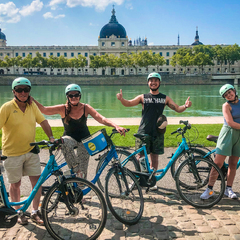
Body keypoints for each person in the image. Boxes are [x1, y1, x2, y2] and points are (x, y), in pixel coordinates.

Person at [31, 83, 127, 180]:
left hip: (85, 141)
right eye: (71, 95)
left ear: (80, 96)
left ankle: (79, 191)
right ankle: (76, 170)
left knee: (82, 176)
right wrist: (32, 100)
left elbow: (101, 118)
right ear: (67, 97)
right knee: (64, 141)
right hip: (69, 138)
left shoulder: (85, 107)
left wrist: (116, 126)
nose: (74, 97)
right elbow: (44, 110)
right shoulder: (62, 108)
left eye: (76, 95)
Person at [116, 72, 192, 190]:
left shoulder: (164, 98)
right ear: (148, 83)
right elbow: (129, 103)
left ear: (159, 82)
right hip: (143, 132)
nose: (153, 82)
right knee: (140, 157)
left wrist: (185, 106)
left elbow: (177, 108)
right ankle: (139, 180)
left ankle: (151, 181)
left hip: (157, 132)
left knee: (154, 157)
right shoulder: (143, 97)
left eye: (156, 80)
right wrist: (122, 99)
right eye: (151, 80)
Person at [0, 77, 55, 225]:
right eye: (19, 90)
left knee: (37, 183)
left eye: (26, 89)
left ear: (29, 91)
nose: (23, 92)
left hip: (31, 151)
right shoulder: (6, 107)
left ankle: (35, 212)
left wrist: (51, 137)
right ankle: (18, 212)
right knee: (15, 184)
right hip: (12, 153)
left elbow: (43, 121)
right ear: (14, 91)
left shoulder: (32, 106)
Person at [201, 84, 240, 200]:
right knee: (218, 163)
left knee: (233, 164)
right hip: (228, 133)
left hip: (239, 135)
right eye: (226, 95)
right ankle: (209, 189)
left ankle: (228, 189)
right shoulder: (226, 106)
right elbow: (230, 122)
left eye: (230, 92)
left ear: (234, 91)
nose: (229, 95)